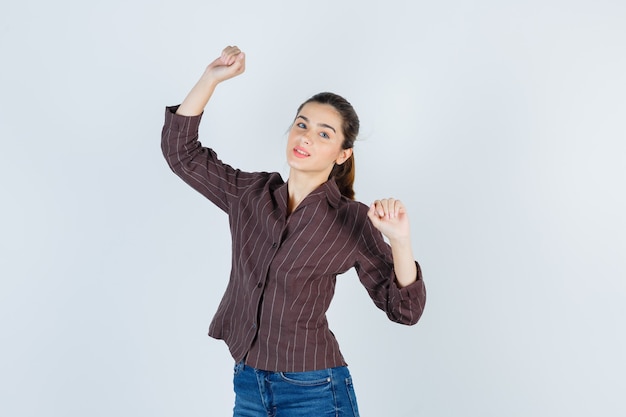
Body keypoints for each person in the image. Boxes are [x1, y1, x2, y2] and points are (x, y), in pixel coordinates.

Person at [161, 45, 426, 417]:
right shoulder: (249, 194)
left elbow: (405, 310)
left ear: (342, 154)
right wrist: (211, 78)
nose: (305, 138)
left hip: (315, 390)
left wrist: (400, 241)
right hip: (248, 385)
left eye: (323, 134)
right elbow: (181, 153)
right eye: (302, 125)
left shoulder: (351, 219)